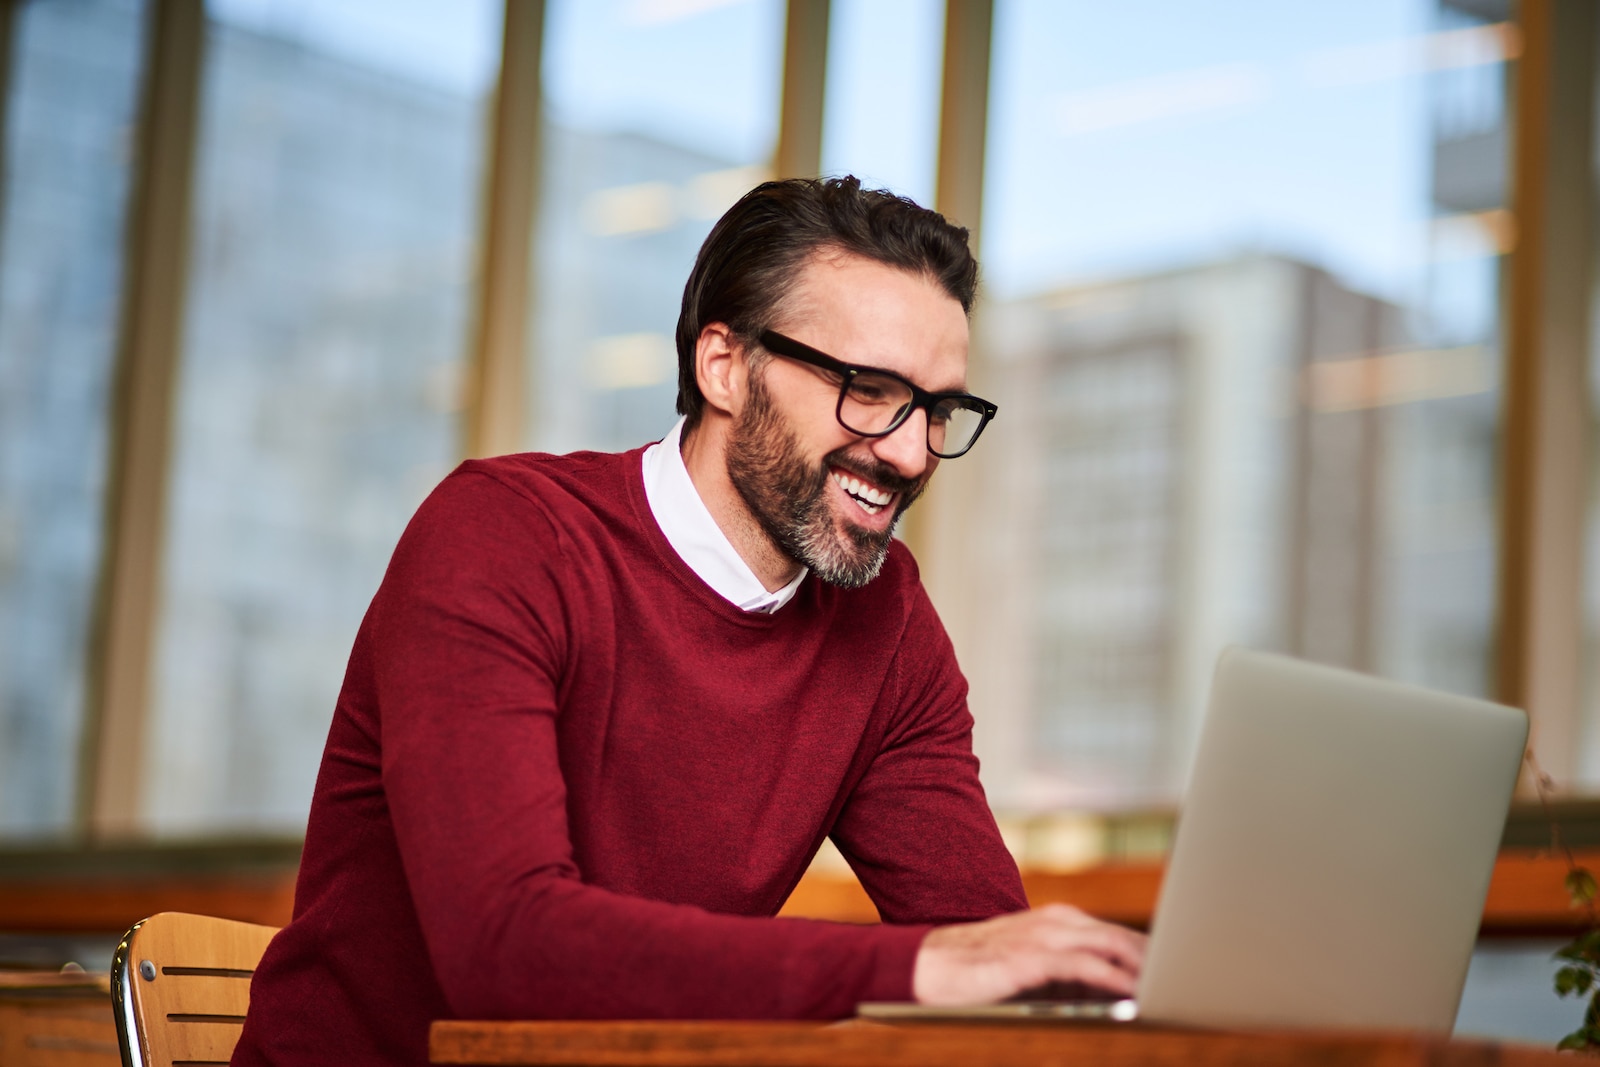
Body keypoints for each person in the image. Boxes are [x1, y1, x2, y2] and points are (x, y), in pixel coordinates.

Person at [231, 177, 1144, 1067]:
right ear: (724, 368)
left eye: (937, 408)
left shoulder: (886, 620)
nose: (909, 450)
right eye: (868, 388)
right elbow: (505, 950)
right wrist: (922, 969)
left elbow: (985, 950)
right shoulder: (504, 535)